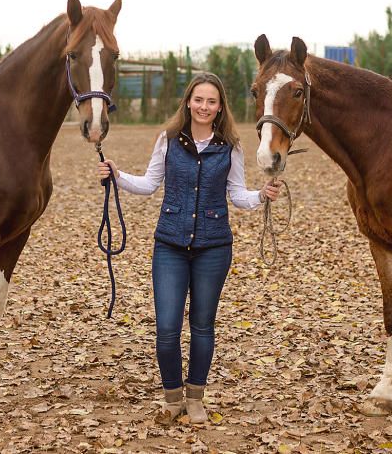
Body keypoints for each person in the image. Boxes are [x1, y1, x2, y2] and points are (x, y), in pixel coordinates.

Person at [98, 72, 280, 424]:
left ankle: (195, 397)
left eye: (212, 101)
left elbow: (238, 194)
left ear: (220, 106)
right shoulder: (167, 139)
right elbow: (150, 184)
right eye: (199, 99)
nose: (204, 106)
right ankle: (171, 398)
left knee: (202, 325)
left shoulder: (231, 146)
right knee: (166, 328)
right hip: (169, 245)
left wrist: (261, 196)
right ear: (188, 101)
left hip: (213, 248)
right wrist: (118, 176)